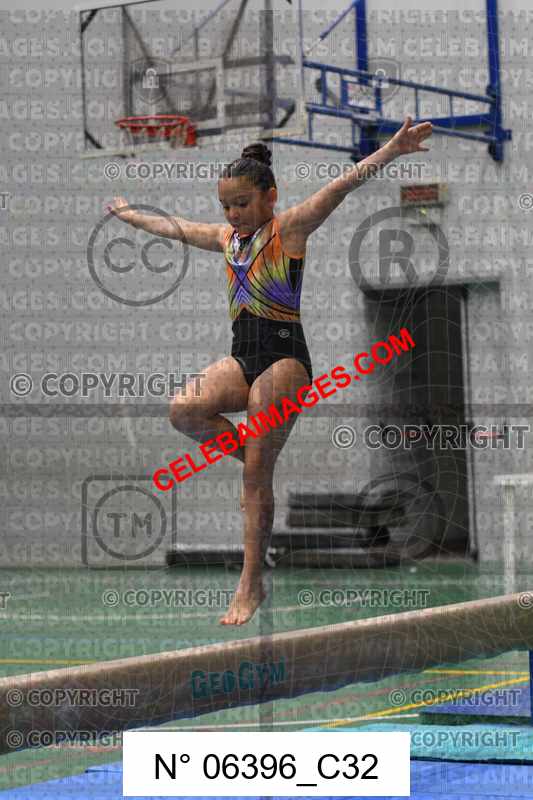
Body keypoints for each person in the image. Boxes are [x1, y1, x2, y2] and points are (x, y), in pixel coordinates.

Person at [107, 115, 433, 626]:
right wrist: (132, 216)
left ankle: (250, 581)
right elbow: (178, 228)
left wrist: (392, 150)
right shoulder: (226, 240)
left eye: (242, 204)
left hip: (285, 359)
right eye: (227, 206)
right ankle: (254, 458)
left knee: (255, 479)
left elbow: (342, 186)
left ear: (270, 197)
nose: (233, 214)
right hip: (244, 357)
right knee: (185, 410)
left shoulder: (290, 228)